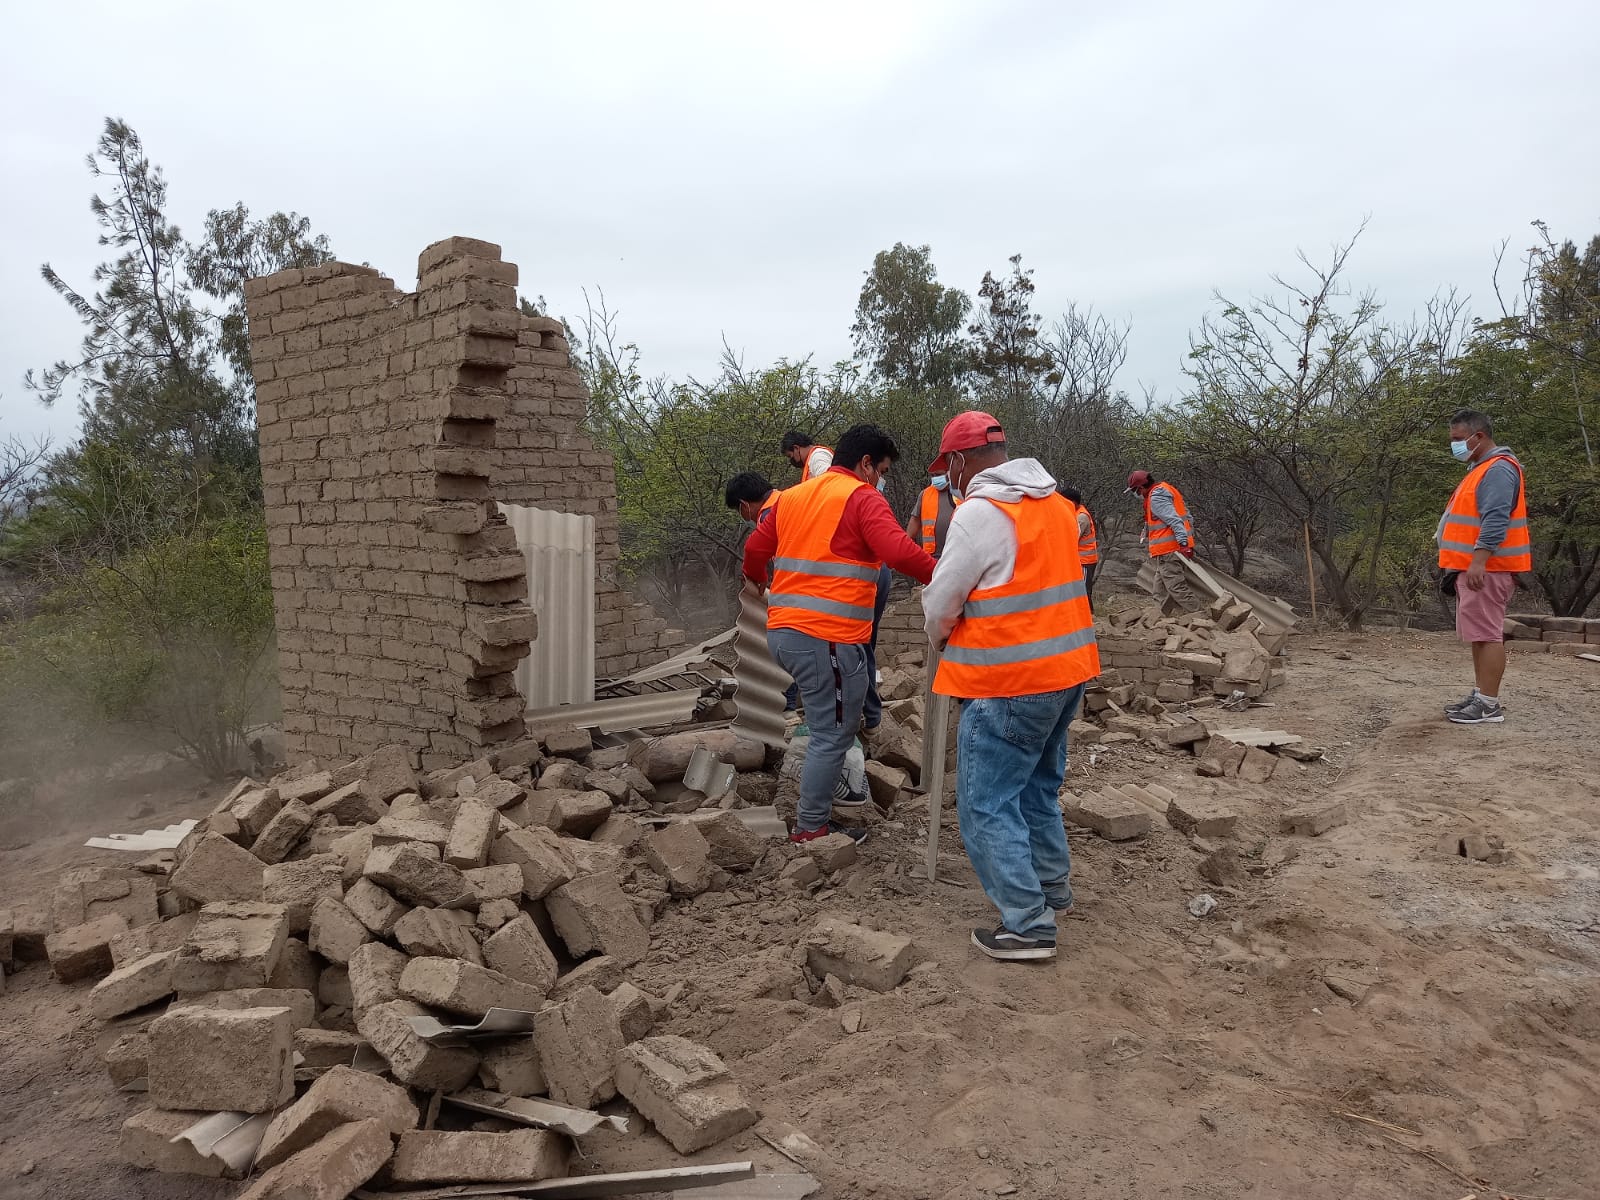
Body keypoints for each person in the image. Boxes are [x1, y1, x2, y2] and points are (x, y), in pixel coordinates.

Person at [921, 412, 1100, 962]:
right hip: (1066, 675)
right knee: (1036, 789)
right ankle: (1051, 888)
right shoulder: (1057, 507)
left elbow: (941, 602)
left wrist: (941, 634)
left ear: (957, 461)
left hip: (1011, 683)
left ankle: (1026, 924)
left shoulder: (979, 514)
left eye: (947, 467)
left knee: (986, 803)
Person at [743, 424, 936, 844]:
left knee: (823, 722)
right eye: (881, 469)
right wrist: (948, 577)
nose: (881, 478)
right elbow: (899, 551)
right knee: (832, 734)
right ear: (866, 463)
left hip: (785, 635)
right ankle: (811, 828)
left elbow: (756, 549)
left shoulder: (792, 497)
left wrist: (756, 579)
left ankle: (816, 809)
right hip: (825, 639)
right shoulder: (862, 497)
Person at [1438, 409, 1531, 725]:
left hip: (1488, 568)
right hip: (1477, 567)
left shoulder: (1498, 470)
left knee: (1488, 635)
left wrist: (1479, 560)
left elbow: (1496, 518)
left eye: (1458, 439)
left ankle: (1488, 705)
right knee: (1480, 635)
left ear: (1478, 436)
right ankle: (1481, 696)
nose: (1455, 446)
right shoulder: (1483, 469)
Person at [1126, 469, 1200, 612]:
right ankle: (1159, 621)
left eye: (1135, 491)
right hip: (1168, 552)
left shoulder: (1156, 497)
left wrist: (1184, 544)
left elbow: (1175, 521)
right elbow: (1188, 518)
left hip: (1170, 551)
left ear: (1141, 487)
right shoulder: (1166, 489)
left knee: (1176, 588)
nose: (1136, 494)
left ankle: (1201, 618)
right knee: (1159, 592)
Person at [1057, 485, 1099, 606]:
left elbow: (1072, 537)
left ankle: (1089, 615)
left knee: (1083, 591)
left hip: (1085, 560)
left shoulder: (1081, 517)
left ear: (1072, 502)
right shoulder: (1075, 513)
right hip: (1079, 560)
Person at [905, 470, 959, 558]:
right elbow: (912, 530)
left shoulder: (960, 493)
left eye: (938, 474)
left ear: (949, 472)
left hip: (955, 556)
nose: (935, 478)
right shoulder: (925, 494)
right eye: (933, 475)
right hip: (930, 557)